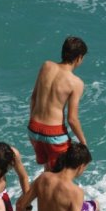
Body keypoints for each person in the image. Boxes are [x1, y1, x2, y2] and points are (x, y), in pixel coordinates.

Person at [28, 36, 88, 170]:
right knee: (60, 175)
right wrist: (83, 142)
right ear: (78, 58)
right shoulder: (76, 83)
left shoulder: (46, 66)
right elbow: (72, 119)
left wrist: (33, 122)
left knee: (48, 171)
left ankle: (40, 191)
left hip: (34, 129)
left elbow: (33, 98)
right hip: (54, 134)